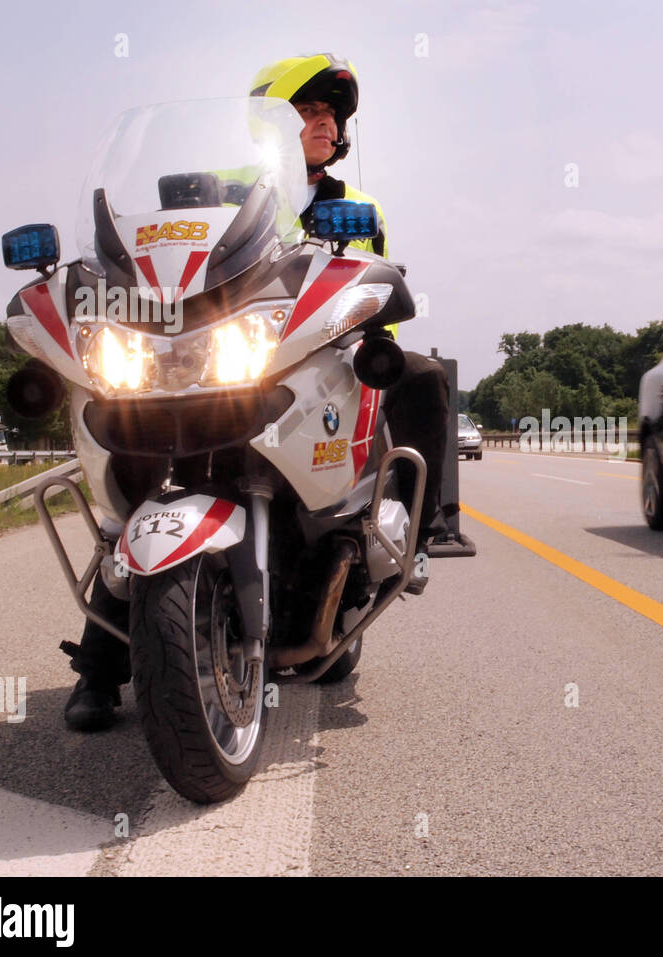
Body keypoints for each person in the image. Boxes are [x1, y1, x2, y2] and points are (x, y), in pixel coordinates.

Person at [62, 53, 449, 731]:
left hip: (311, 345)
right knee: (143, 496)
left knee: (417, 375)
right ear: (269, 128)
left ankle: (421, 531)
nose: (323, 124)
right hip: (215, 353)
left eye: (330, 114)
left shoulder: (354, 208)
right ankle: (98, 666)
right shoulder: (230, 188)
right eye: (306, 112)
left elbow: (371, 278)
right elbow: (166, 250)